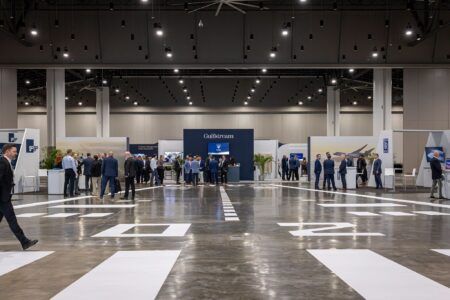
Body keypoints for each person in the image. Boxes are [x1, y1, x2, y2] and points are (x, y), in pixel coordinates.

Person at [0, 144, 38, 250]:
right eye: (14, 151)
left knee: (11, 220)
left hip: (4, 197)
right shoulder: (2, 162)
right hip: (3, 199)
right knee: (12, 220)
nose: (16, 153)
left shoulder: (6, 162)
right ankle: (24, 242)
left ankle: (24, 242)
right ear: (7, 151)